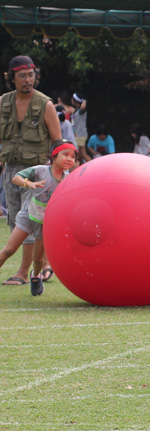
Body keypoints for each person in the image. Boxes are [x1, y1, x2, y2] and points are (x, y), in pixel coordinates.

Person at [0, 55, 62, 286]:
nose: (28, 80)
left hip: (37, 173)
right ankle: (45, 264)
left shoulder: (44, 104)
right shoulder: (3, 102)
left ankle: (23, 272)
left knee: (28, 220)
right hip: (11, 171)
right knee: (18, 219)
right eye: (22, 75)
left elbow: (58, 143)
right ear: (11, 78)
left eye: (31, 75)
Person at [0, 140, 76, 296]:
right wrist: (29, 184)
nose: (70, 159)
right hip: (28, 217)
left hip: (45, 224)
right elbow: (16, 178)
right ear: (54, 156)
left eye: (73, 156)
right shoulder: (40, 170)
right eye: (65, 154)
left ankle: (35, 276)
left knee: (38, 260)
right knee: (8, 250)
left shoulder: (68, 179)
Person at [71, 93, 90, 164]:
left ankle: (93, 167)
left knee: (79, 155)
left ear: (75, 100)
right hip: (78, 135)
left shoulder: (81, 111)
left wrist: (84, 100)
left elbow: (83, 107)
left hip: (80, 135)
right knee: (81, 155)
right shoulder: (76, 110)